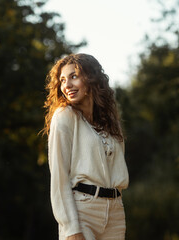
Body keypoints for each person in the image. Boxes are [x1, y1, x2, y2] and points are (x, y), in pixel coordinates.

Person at [42, 53, 129, 240]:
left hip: (115, 212)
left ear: (91, 78)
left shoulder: (110, 122)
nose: (67, 86)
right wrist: (71, 228)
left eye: (74, 77)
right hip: (82, 212)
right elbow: (59, 178)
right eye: (63, 80)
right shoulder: (64, 116)